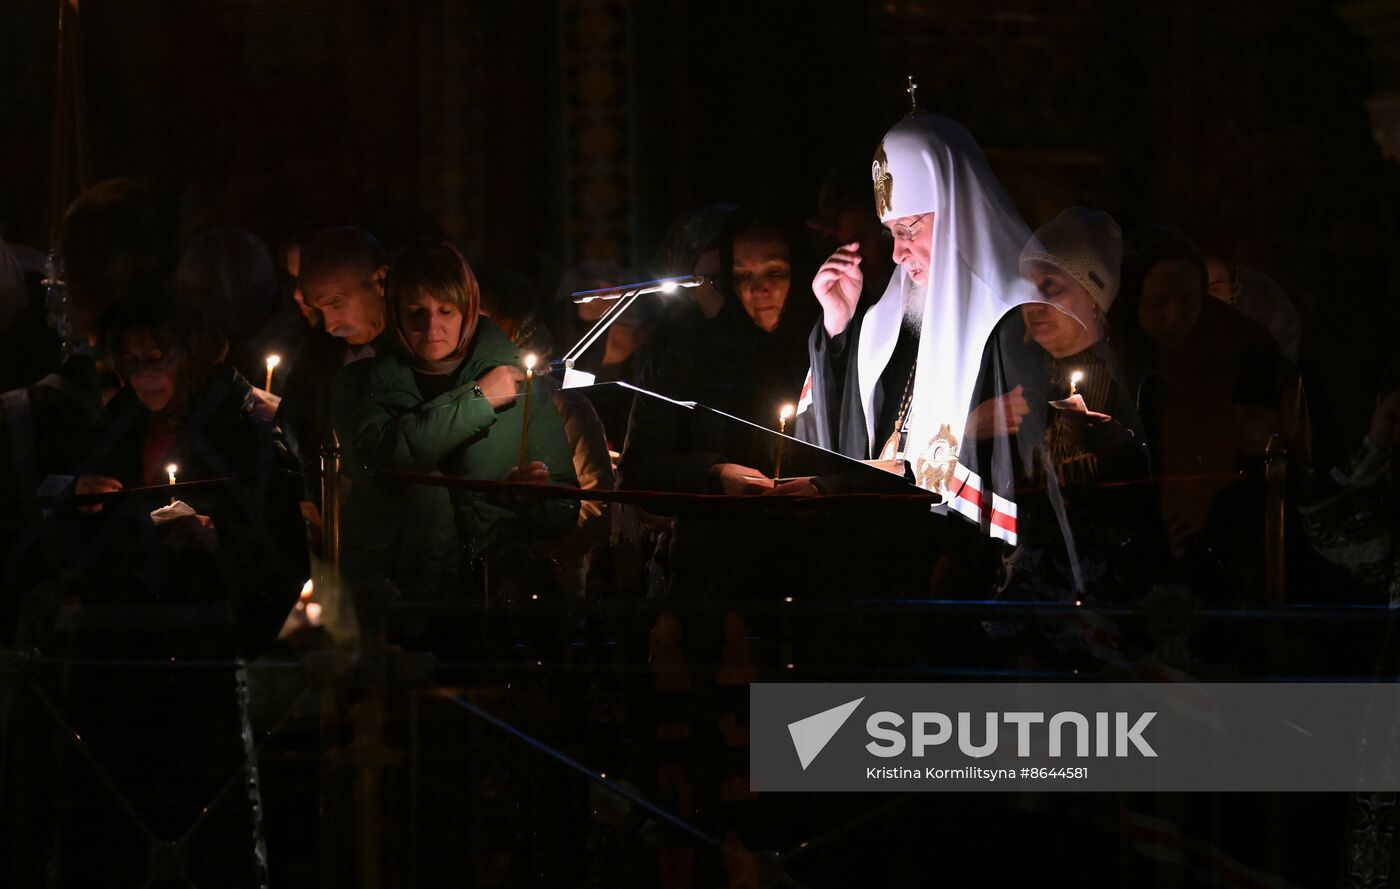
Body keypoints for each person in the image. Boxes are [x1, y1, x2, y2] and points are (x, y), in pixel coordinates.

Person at [7, 294, 307, 887]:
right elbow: (64, 539)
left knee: (205, 832)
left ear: (191, 356)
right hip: (114, 666)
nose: (144, 375)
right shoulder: (115, 422)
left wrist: (215, 544)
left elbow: (281, 552)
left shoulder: (243, 429)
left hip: (200, 665)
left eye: (157, 359)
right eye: (133, 359)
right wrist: (79, 497)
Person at [331, 239, 579, 616]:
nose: (432, 327)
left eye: (446, 311)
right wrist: (478, 400)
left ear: (468, 311)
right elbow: (378, 458)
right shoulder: (360, 384)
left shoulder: (521, 387)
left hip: (491, 599)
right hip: (394, 600)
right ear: (395, 312)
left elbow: (564, 505)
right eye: (416, 312)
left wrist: (536, 498)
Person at [621, 209, 815, 494]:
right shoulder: (692, 350)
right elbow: (638, 470)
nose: (758, 289)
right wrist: (714, 474)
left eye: (774, 272)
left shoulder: (825, 344)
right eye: (742, 276)